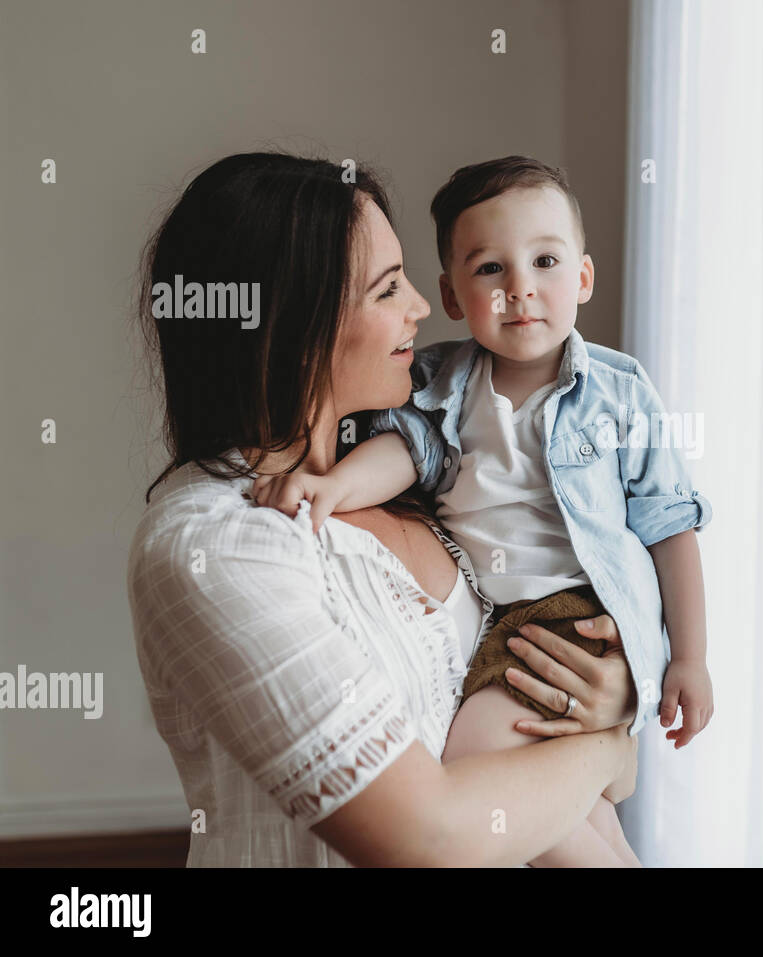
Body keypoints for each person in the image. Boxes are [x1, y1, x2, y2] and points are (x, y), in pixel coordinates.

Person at [126, 152, 638, 867]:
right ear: (292, 323)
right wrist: (605, 745)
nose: (422, 310)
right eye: (387, 288)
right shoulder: (215, 542)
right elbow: (425, 839)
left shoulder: (430, 484)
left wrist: (610, 699)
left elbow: (587, 769)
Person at [251, 157, 714, 866]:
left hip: (579, 612)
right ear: (454, 294)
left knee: (477, 758)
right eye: (491, 269)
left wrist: (689, 657)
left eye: (546, 261)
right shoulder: (442, 383)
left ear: (582, 279)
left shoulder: (618, 393)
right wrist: (334, 488)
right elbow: (407, 455)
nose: (521, 289)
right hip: (497, 619)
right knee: (584, 810)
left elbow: (670, 527)